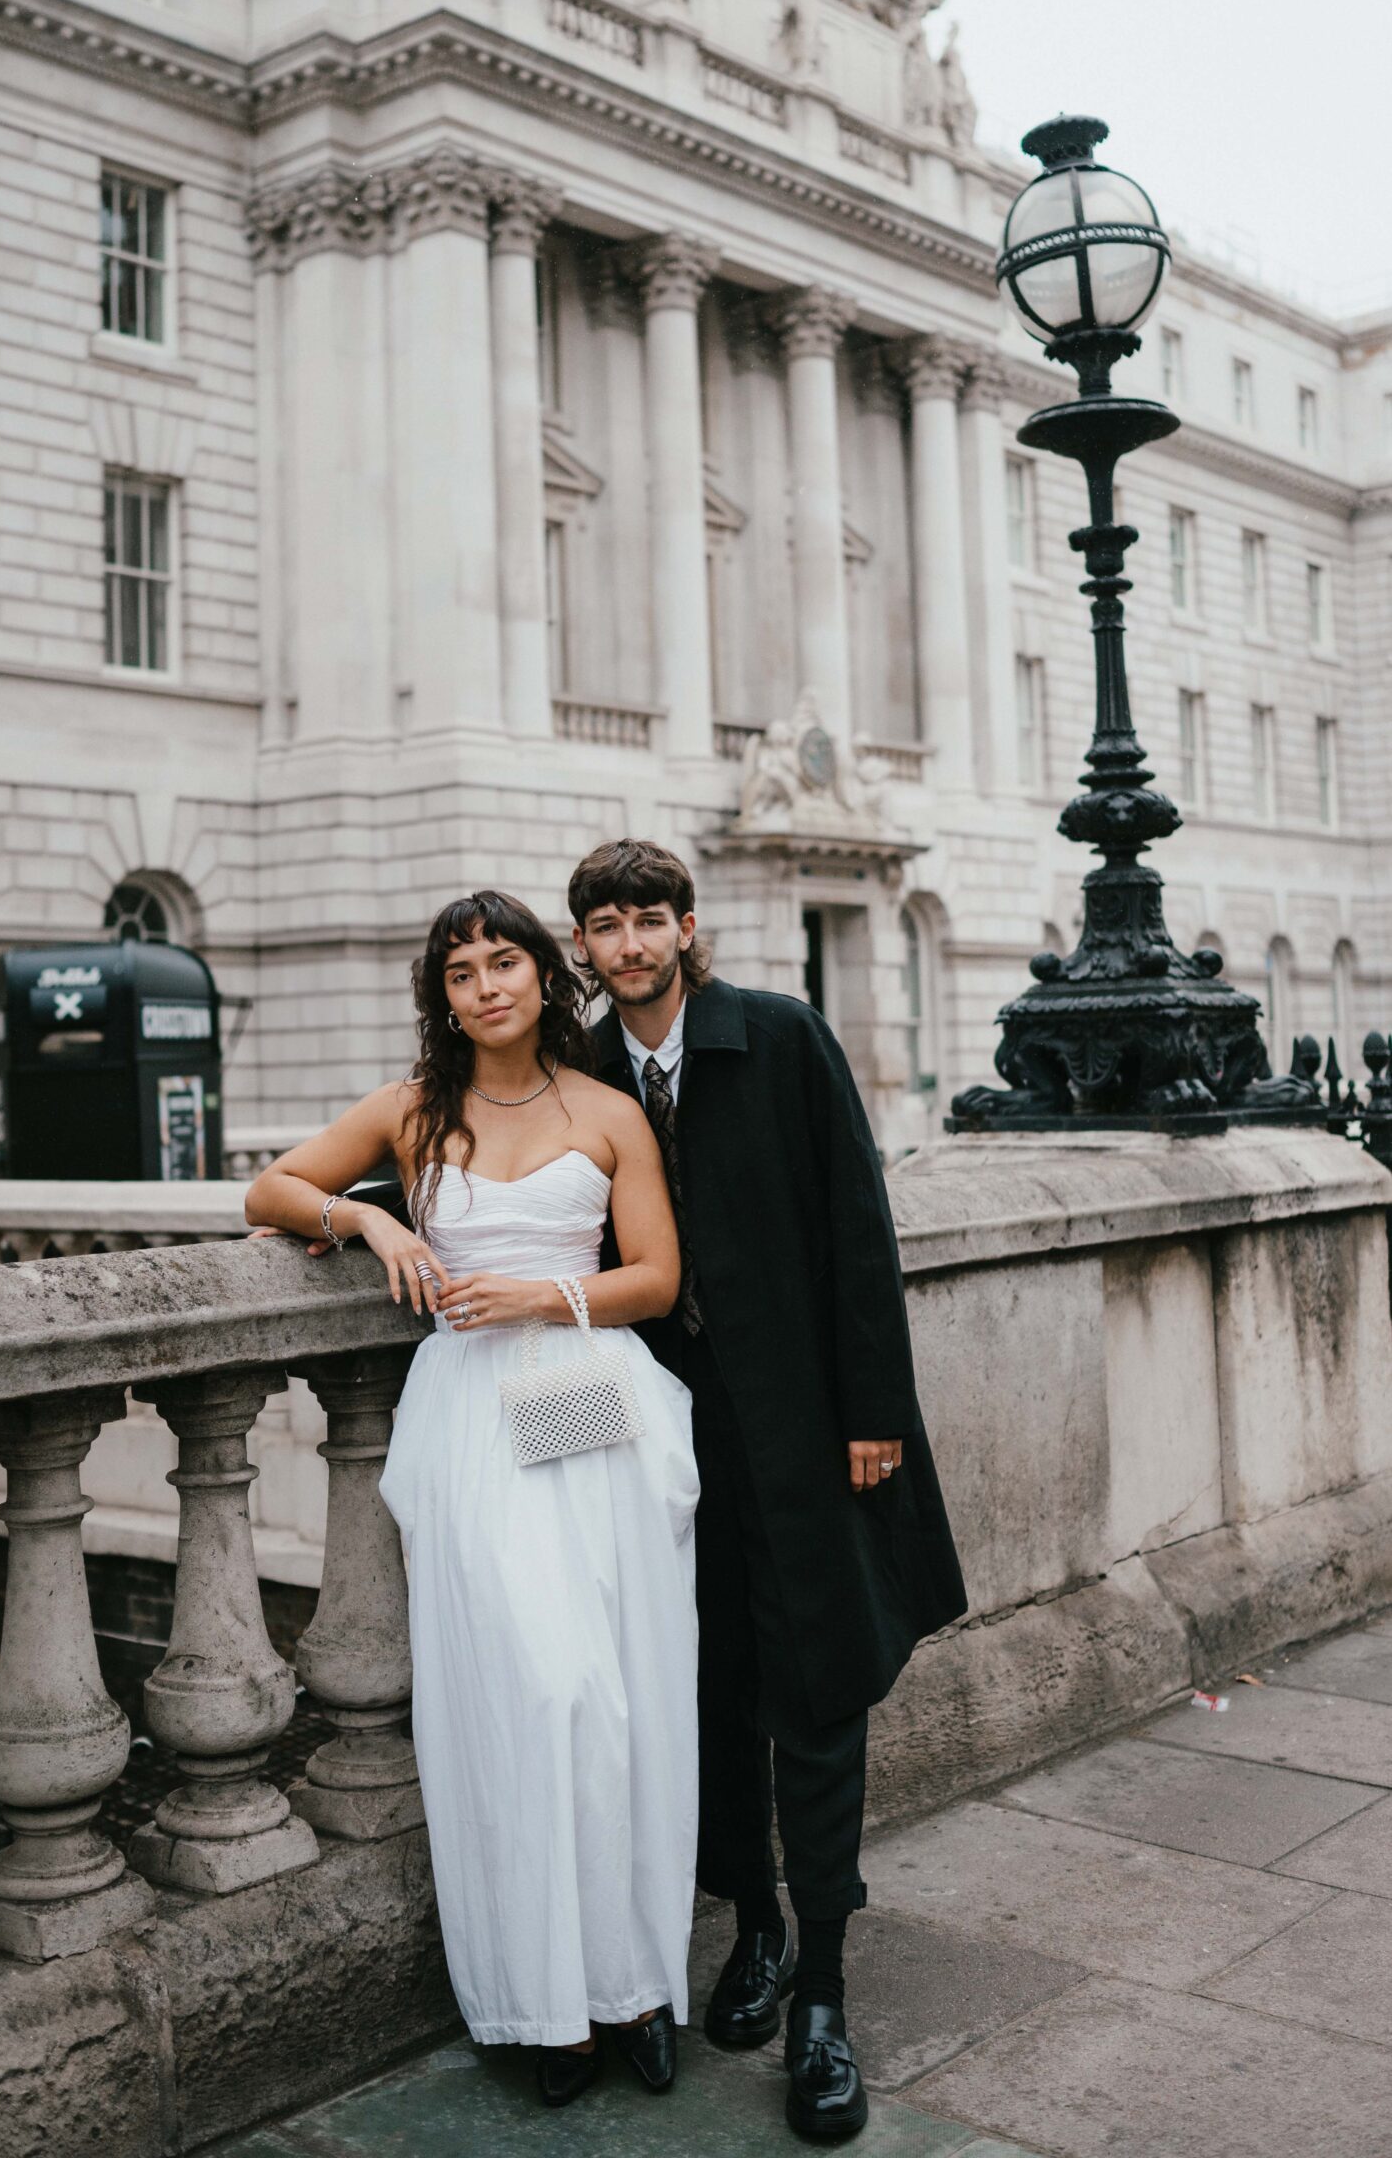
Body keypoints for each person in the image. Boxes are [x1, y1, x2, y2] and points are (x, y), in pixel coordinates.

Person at [245, 890, 698, 2109]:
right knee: (520, 1691)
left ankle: (635, 1984)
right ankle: (540, 2001)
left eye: (505, 962)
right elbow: (269, 1189)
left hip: (585, 1395)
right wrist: (367, 1226)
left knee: (611, 1696)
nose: (486, 985)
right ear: (441, 995)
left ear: (548, 978)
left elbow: (654, 1278)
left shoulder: (605, 1113)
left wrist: (551, 1299)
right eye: (460, 971)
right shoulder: (410, 1111)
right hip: (467, 1421)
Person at [568, 838, 967, 2147]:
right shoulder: (579, 1071)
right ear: (583, 946)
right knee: (707, 1690)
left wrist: (872, 1416)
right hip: (656, 1438)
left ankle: (823, 1998)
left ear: (684, 928)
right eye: (602, 929)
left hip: (797, 1430)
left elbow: (859, 1225)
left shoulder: (780, 1037)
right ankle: (747, 1935)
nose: (625, 947)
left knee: (814, 1693)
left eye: (645, 922)